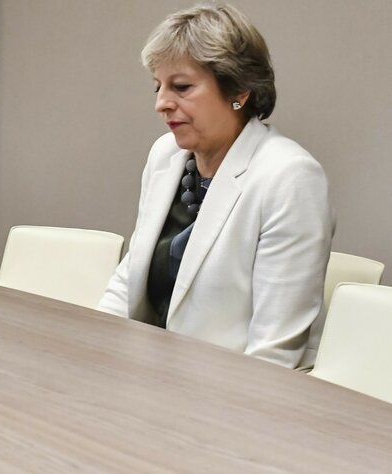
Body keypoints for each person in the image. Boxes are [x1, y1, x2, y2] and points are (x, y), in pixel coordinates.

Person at [98, 4, 333, 370]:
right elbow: (129, 279)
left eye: (181, 87)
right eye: (158, 86)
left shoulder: (290, 177)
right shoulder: (165, 155)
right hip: (150, 371)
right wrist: (92, 350)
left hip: (236, 388)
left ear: (238, 90)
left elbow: (274, 351)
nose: (161, 103)